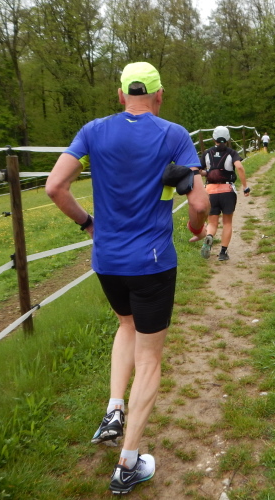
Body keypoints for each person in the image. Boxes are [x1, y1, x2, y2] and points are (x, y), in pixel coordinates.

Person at [45, 61, 209, 495]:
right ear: (159, 96)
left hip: (107, 260)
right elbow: (199, 204)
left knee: (126, 324)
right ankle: (128, 464)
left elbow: (55, 186)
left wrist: (88, 224)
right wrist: (195, 228)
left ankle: (114, 408)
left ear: (120, 95)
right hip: (152, 263)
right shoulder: (174, 135)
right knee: (150, 359)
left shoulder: (92, 131)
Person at [198, 126, 249, 261]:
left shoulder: (207, 153)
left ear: (213, 138)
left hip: (210, 191)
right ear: (228, 139)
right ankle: (223, 252)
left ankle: (209, 236)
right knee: (227, 223)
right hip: (227, 191)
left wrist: (208, 173)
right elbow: (239, 167)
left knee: (212, 222)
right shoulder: (232, 153)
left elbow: (199, 170)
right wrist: (245, 187)